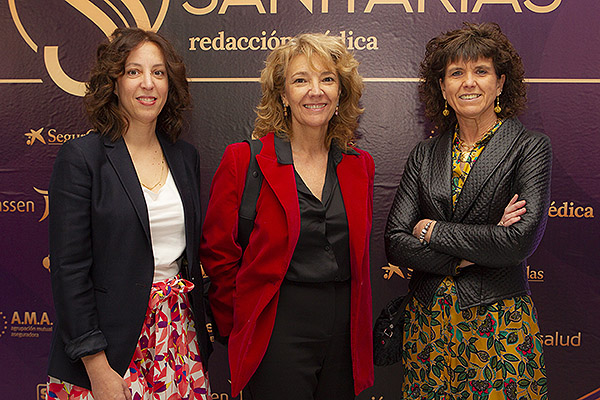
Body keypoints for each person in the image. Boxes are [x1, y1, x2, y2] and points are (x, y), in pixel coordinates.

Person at [200, 33, 374, 399]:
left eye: (327, 79)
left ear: (341, 92)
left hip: (344, 333)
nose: (316, 91)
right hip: (275, 329)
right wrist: (240, 325)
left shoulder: (360, 166)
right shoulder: (243, 160)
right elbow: (218, 254)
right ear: (282, 95)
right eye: (300, 80)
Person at [384, 22, 551, 399]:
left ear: (500, 82)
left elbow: (515, 243)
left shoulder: (530, 148)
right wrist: (466, 256)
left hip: (500, 325)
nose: (469, 82)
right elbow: (395, 242)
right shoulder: (424, 154)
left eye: (481, 71)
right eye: (456, 73)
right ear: (442, 87)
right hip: (429, 325)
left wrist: (430, 230)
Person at [46, 28, 211, 400]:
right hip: (108, 351)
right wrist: (97, 366)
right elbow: (69, 271)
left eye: (158, 72)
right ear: (114, 83)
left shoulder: (185, 158)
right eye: (133, 72)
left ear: (170, 84)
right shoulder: (82, 159)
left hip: (177, 339)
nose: (147, 84)